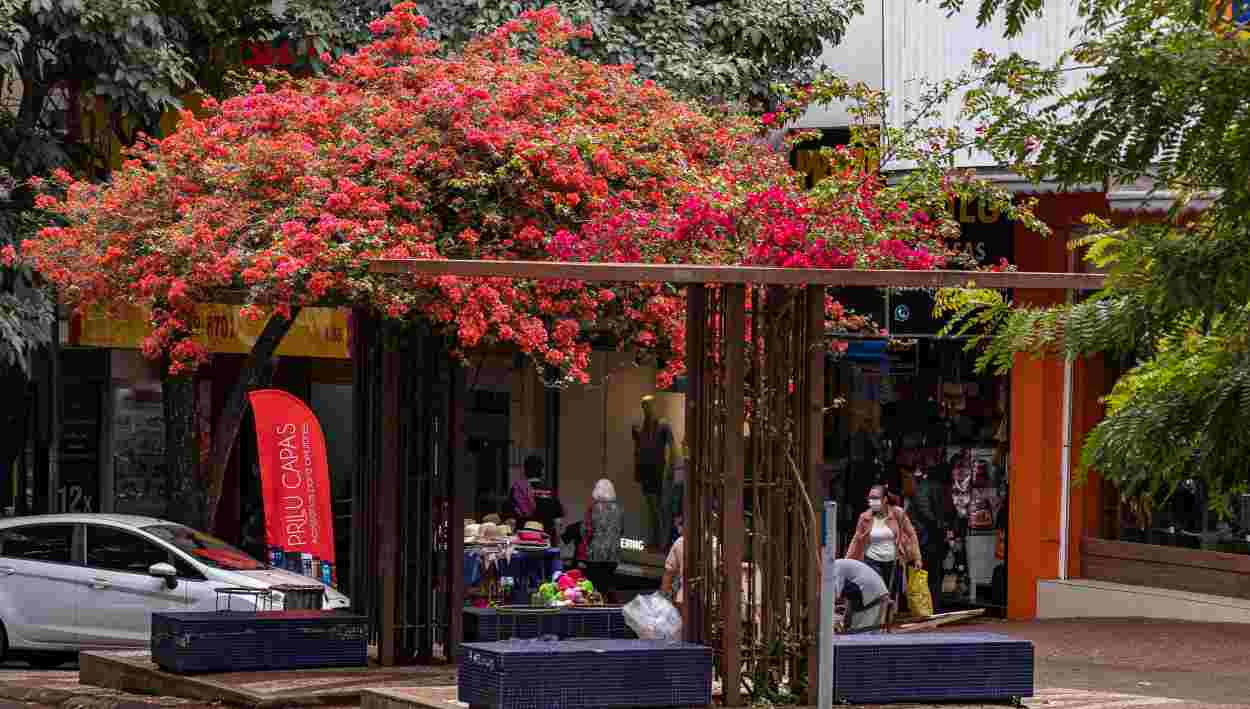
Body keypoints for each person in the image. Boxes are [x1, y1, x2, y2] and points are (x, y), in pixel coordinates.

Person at [845, 485, 921, 607]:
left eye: (875, 498)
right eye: (870, 498)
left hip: (894, 561)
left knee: (891, 595)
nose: (872, 501)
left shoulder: (897, 513)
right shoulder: (865, 517)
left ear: (885, 499)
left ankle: (887, 617)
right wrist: (847, 562)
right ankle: (876, 616)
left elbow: (911, 534)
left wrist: (917, 558)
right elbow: (856, 541)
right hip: (872, 561)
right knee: (878, 593)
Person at [907, 465, 950, 612]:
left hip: (927, 537)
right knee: (930, 572)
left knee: (926, 573)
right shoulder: (929, 488)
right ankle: (929, 605)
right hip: (927, 537)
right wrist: (941, 526)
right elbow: (926, 512)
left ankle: (927, 605)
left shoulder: (925, 487)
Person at [632, 395, 672, 550]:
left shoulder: (662, 424)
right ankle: (655, 541)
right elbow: (639, 449)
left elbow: (671, 447)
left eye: (648, 405)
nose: (646, 409)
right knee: (651, 507)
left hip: (658, 471)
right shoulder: (641, 426)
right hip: (646, 471)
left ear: (654, 405)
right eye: (644, 406)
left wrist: (669, 469)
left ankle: (663, 543)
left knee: (660, 508)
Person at [577, 478, 623, 596]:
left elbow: (585, 531)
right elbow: (621, 530)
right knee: (606, 584)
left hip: (595, 554)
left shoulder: (593, 508)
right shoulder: (618, 509)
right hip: (613, 554)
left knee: (595, 586)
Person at [832, 558, 890, 631]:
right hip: (877, 590)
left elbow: (834, 595)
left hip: (871, 592)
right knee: (866, 630)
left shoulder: (835, 568)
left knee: (861, 631)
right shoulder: (841, 566)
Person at [662, 531, 684, 613]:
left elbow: (669, 572)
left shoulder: (680, 542)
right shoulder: (713, 542)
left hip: (683, 599)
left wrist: (664, 599)